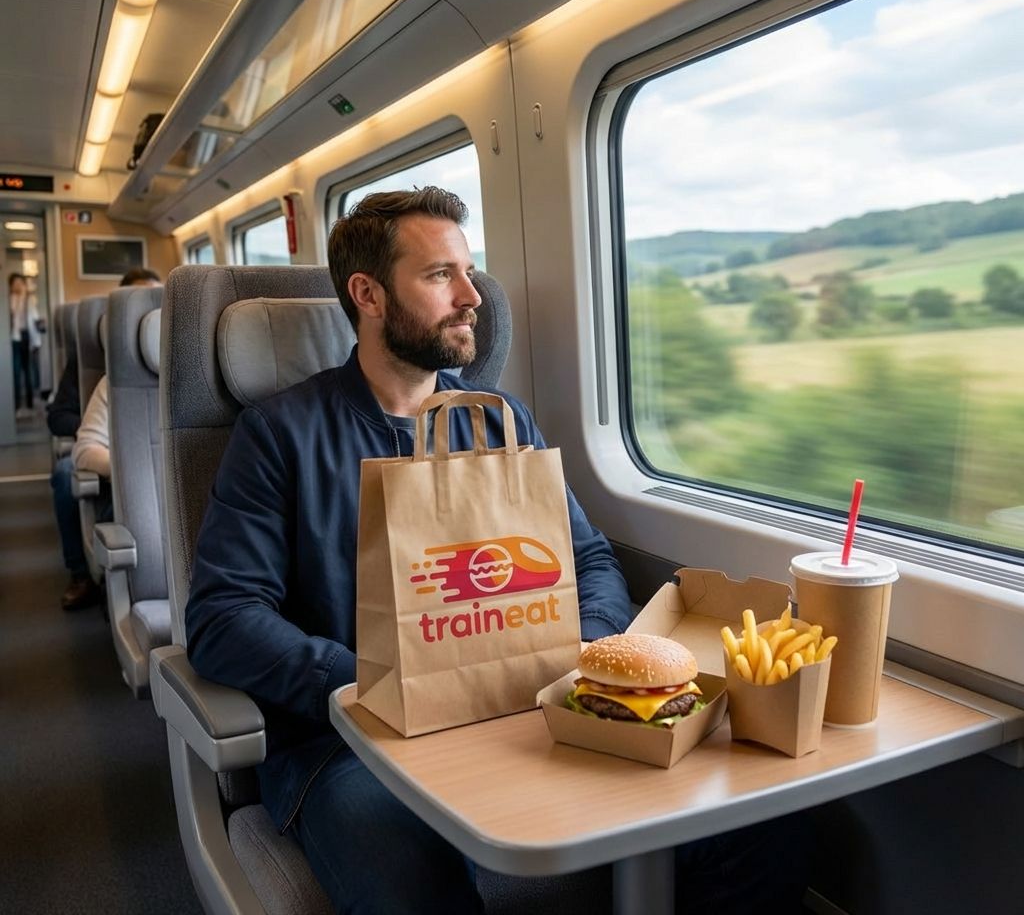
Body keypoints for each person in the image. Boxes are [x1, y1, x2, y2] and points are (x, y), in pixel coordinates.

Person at [185, 190, 809, 914]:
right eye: (440, 275)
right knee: (406, 865)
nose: (472, 296)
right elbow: (223, 619)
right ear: (368, 295)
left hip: (528, 707)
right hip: (350, 740)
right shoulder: (279, 436)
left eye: (470, 273)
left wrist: (587, 652)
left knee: (755, 817)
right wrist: (380, 681)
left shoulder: (502, 420)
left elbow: (591, 562)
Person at [54, 267, 162, 611]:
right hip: (112, 460)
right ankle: (80, 573)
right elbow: (61, 418)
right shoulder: (107, 376)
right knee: (63, 473)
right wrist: (126, 460)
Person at [8, 272, 42, 416]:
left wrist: (26, 297)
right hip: (14, 337)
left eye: (20, 282)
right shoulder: (9, 299)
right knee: (15, 371)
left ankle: (30, 403)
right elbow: (13, 315)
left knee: (28, 371)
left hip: (27, 336)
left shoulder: (30, 299)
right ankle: (16, 405)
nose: (18, 285)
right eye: (15, 283)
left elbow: (35, 317)